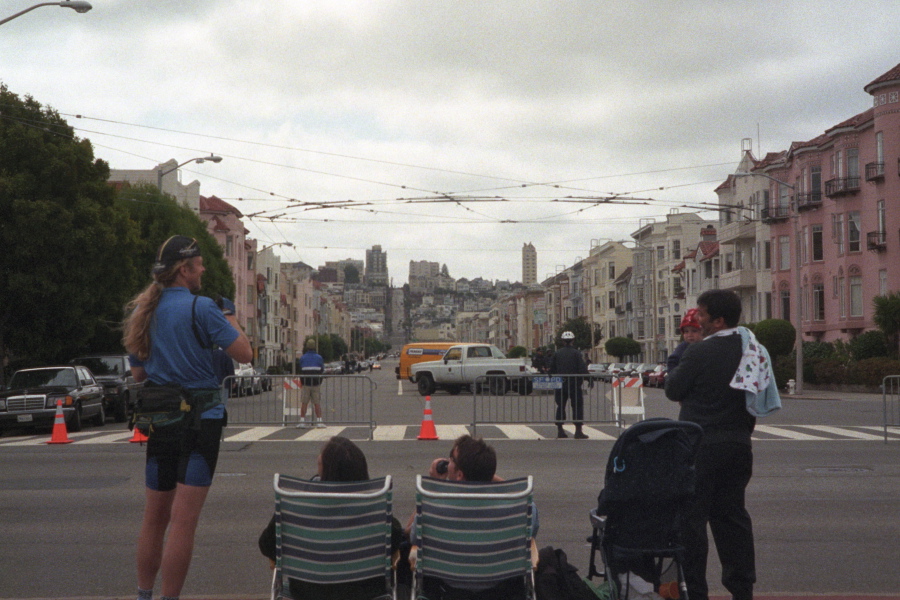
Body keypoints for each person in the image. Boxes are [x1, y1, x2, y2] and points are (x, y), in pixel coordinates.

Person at [123, 235, 252, 600]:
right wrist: (228, 314)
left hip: (160, 421)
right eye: (199, 264)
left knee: (154, 519)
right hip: (201, 422)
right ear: (185, 270)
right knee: (182, 522)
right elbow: (245, 353)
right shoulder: (202, 308)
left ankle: (143, 595)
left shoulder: (142, 312)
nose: (204, 269)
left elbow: (138, 376)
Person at [664, 289, 756, 600]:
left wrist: (676, 364)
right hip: (738, 443)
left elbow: (673, 389)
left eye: (701, 315)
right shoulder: (750, 349)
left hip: (699, 444)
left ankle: (696, 591)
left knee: (693, 521)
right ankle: (742, 589)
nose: (696, 321)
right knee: (732, 518)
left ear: (717, 321)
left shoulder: (699, 352)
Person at [258, 436, 403, 600]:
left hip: (307, 594)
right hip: (365, 594)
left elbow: (267, 545)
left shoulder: (296, 505)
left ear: (324, 468)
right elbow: (396, 538)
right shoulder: (374, 509)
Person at [405, 434, 539, 598]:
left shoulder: (432, 507)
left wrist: (434, 487)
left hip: (447, 591)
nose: (447, 463)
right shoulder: (520, 508)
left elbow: (411, 535)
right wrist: (489, 477)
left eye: (451, 459)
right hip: (502, 591)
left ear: (459, 475)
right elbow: (530, 522)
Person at [548, 331, 589, 439]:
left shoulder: (557, 353)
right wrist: (588, 378)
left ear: (562, 341)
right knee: (577, 407)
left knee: (560, 406)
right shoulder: (576, 353)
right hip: (574, 384)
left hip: (561, 384)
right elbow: (582, 368)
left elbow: (551, 368)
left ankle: (560, 430)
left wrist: (550, 377)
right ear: (573, 340)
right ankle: (578, 431)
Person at [295, 338, 325, 429]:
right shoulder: (319, 357)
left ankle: (302, 421)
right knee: (317, 402)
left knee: (304, 402)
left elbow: (299, 369)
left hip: (305, 383)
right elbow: (322, 369)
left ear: (307, 347)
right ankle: (319, 421)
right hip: (316, 383)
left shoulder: (303, 358)